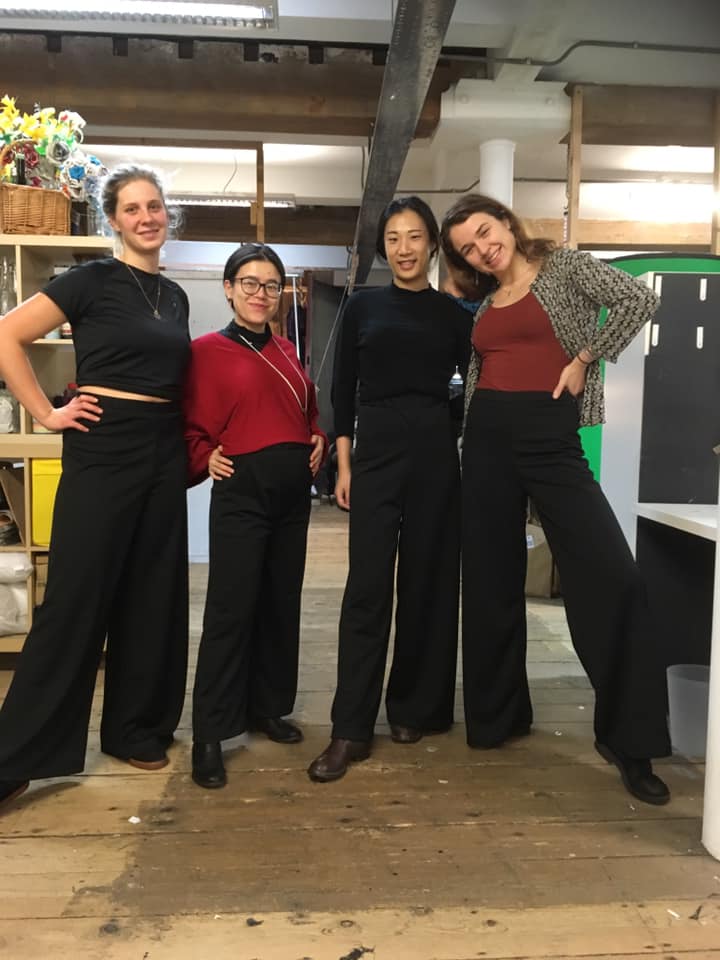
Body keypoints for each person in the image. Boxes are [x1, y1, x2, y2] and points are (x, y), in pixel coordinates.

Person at [440, 192, 671, 805]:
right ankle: (498, 718)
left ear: (505, 222)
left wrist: (586, 357)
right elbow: (481, 372)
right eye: (467, 249)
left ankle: (629, 741)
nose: (482, 249)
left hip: (550, 437)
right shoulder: (485, 303)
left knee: (613, 577)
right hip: (486, 441)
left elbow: (639, 299)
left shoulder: (564, 266)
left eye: (485, 232)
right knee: (489, 583)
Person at [0, 164, 191, 811]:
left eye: (154, 206)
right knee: (76, 596)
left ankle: (134, 729)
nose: (147, 217)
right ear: (113, 219)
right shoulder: (90, 280)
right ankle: (17, 755)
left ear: (167, 215)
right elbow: (8, 334)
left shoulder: (174, 297)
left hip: (162, 445)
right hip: (104, 443)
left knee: (152, 591)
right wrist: (47, 413)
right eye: (132, 208)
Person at [308, 196, 472, 783]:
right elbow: (342, 390)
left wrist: (453, 433)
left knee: (427, 583)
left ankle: (412, 708)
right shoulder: (362, 307)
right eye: (394, 239)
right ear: (384, 248)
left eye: (415, 236)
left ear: (432, 243)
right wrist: (344, 466)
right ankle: (350, 728)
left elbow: (474, 386)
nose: (404, 249)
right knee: (368, 589)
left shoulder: (454, 315)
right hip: (374, 452)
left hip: (433, 452)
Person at [184, 243, 326, 790]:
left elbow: (307, 410)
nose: (260, 293)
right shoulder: (205, 352)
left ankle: (267, 707)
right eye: (249, 282)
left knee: (279, 603)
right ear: (228, 288)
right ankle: (209, 732)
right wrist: (204, 455)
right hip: (243, 491)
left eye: (270, 285)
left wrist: (318, 436)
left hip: (293, 494)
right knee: (231, 609)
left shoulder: (287, 350)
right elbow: (187, 422)